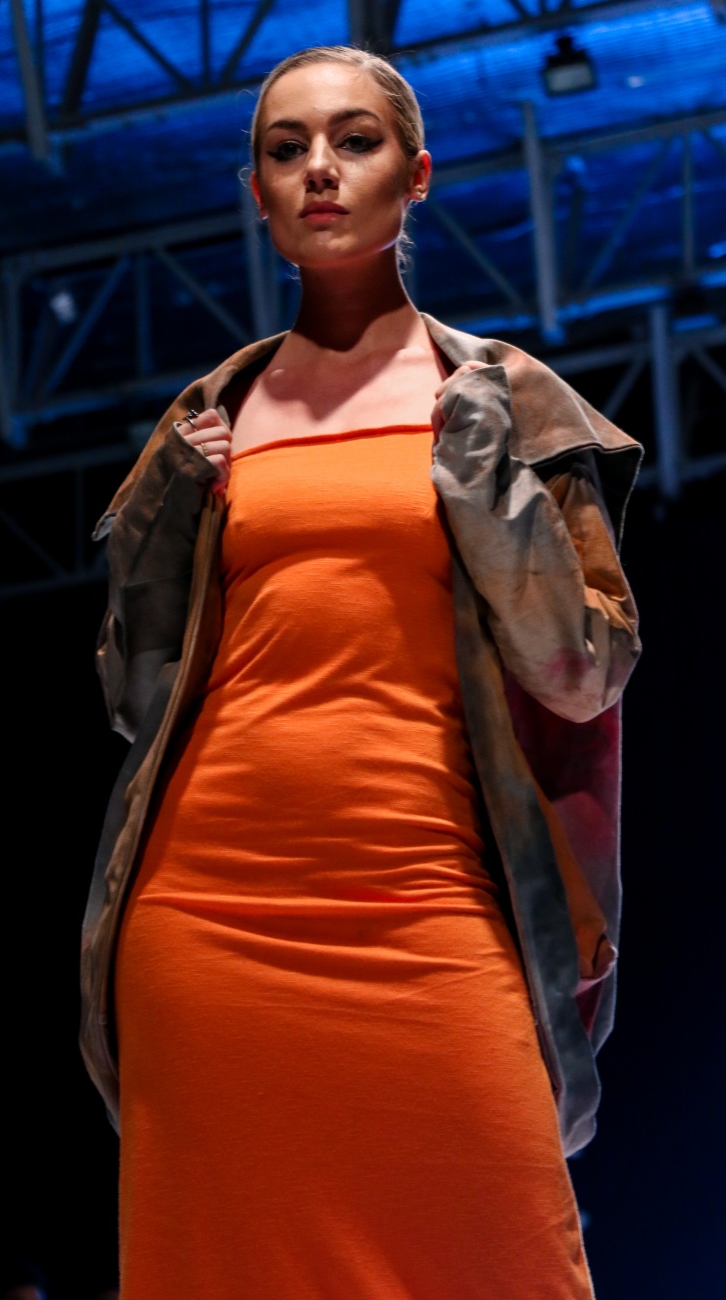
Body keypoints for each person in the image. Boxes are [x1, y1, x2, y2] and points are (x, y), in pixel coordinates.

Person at [81, 45, 641, 1300]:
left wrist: (485, 485)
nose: (318, 170)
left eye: (352, 141)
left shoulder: (499, 398)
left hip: (429, 899)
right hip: (209, 915)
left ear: (417, 173)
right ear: (256, 192)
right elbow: (133, 702)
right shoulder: (209, 415)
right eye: (285, 151)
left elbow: (581, 669)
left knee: (509, 1260)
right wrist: (169, 510)